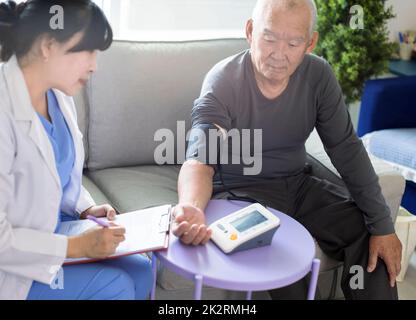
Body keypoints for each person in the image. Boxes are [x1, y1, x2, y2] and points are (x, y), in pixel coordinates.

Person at [172, 0, 402, 299]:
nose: (279, 54)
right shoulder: (224, 81)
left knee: (370, 230)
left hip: (298, 186)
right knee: (279, 261)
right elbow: (200, 161)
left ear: (310, 42)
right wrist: (191, 207)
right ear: (250, 31)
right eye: (269, 38)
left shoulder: (319, 76)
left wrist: (383, 226)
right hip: (242, 194)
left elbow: (346, 148)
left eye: (293, 42)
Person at [0, 0, 152, 300]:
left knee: (142, 269)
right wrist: (78, 247)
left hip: (54, 231)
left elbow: (59, 172)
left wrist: (85, 208)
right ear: (48, 45)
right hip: (14, 265)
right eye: (88, 50)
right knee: (115, 285)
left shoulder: (58, 95)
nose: (94, 65)